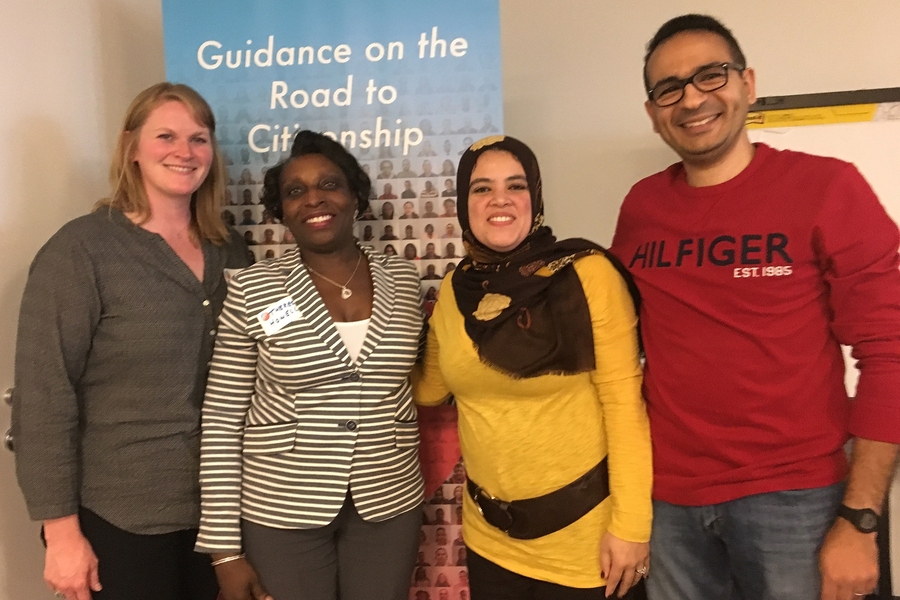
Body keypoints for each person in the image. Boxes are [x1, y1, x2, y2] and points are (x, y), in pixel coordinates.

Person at [609, 14, 900, 600]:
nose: (691, 98)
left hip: (798, 500)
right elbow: (613, 339)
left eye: (710, 76)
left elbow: (890, 354)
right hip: (669, 503)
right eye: (669, 88)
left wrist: (861, 518)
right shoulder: (641, 207)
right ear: (653, 112)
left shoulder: (828, 187)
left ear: (747, 83)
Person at [11, 82, 250, 600]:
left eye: (198, 138)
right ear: (131, 148)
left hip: (218, 520)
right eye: (165, 135)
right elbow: (43, 399)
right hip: (118, 519)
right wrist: (61, 532)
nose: (183, 152)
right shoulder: (81, 252)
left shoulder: (231, 252)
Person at [414, 136, 652, 598]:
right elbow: (427, 389)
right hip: (491, 541)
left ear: (535, 197)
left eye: (515, 185)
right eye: (481, 188)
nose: (499, 199)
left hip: (587, 544)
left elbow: (626, 408)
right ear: (464, 204)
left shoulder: (586, 275)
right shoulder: (454, 292)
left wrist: (632, 528)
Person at [195, 130, 425, 600]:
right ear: (281, 213)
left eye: (329, 184)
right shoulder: (253, 290)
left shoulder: (402, 279)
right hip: (280, 508)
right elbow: (221, 420)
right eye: (295, 192)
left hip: (387, 501)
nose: (314, 199)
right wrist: (223, 551)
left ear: (355, 196)